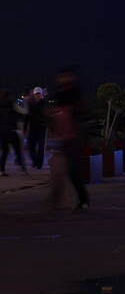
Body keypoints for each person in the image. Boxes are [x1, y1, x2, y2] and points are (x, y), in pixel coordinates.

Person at [50, 67, 89, 210]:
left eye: (65, 76)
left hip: (74, 135)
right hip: (62, 135)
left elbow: (83, 112)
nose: (62, 79)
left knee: (72, 169)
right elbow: (56, 114)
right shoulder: (59, 93)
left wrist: (70, 113)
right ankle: (58, 199)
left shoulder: (76, 93)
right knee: (61, 168)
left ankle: (83, 199)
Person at [0, 88, 27, 175]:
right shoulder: (12, 102)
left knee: (5, 151)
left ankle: (2, 170)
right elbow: (23, 111)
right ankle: (23, 169)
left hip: (2, 131)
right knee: (18, 150)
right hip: (11, 130)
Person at [25, 87, 48, 169]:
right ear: (34, 95)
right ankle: (35, 161)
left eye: (39, 94)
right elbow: (27, 116)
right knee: (31, 147)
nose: (38, 95)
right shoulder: (31, 104)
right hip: (33, 127)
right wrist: (25, 127)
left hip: (42, 127)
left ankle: (39, 164)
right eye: (36, 94)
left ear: (41, 95)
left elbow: (47, 115)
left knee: (41, 147)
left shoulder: (44, 103)